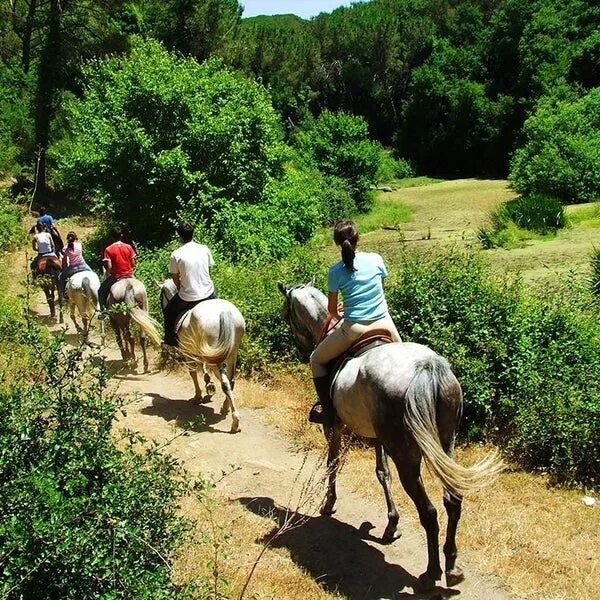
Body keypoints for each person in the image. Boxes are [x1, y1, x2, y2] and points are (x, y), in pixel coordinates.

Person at [308, 219, 402, 425]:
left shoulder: (335, 272)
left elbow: (331, 311)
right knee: (404, 360)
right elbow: (379, 290)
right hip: (384, 323)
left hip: (354, 329)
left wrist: (341, 311)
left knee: (315, 359)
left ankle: (329, 413)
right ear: (358, 238)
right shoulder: (376, 259)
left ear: (337, 243)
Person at [163, 223, 216, 347]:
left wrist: (180, 288)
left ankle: (170, 343)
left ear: (180, 236)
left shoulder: (176, 254)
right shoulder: (204, 248)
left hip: (188, 296)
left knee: (169, 312)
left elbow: (175, 277)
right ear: (193, 234)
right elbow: (209, 270)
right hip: (209, 292)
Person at [98, 226, 136, 310]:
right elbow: (133, 264)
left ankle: (103, 313)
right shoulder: (128, 247)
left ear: (112, 237)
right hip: (130, 275)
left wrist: (110, 271)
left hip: (116, 277)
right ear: (121, 235)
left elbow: (110, 267)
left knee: (100, 292)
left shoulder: (108, 249)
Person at [58, 231, 91, 297]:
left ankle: (63, 292)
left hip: (73, 267)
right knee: (93, 274)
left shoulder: (65, 248)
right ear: (75, 238)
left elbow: (64, 261)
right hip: (83, 265)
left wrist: (64, 268)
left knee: (60, 277)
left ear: (67, 239)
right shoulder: (79, 244)